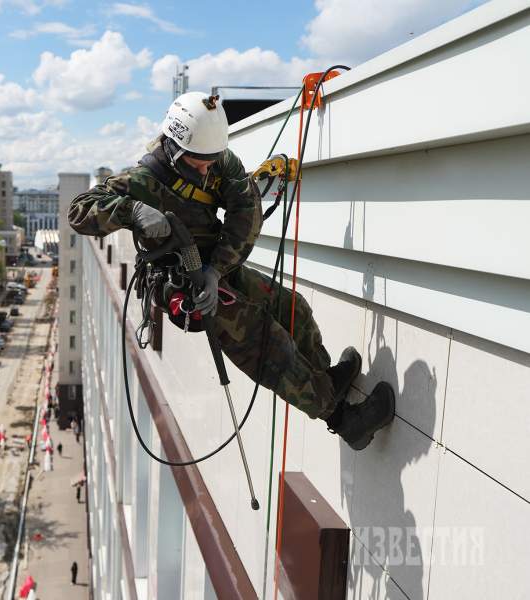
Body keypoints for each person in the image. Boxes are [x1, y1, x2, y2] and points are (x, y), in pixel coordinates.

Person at [68, 91, 395, 451]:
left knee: (293, 309)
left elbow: (246, 211)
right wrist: (131, 211)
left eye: (210, 162)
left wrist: (217, 269)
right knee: (266, 342)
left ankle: (324, 383)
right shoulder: (143, 180)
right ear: (174, 150)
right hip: (183, 283)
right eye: (198, 164)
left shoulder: (218, 159)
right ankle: (345, 420)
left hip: (215, 267)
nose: (206, 170)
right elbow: (79, 211)